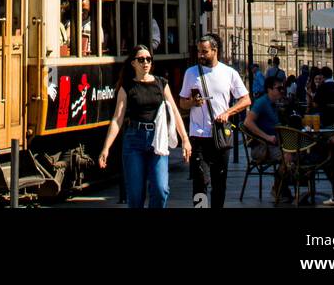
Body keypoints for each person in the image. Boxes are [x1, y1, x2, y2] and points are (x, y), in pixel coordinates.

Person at [99, 44, 191, 209]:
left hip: (157, 139)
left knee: (161, 189)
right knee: (135, 195)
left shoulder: (161, 83)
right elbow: (117, 119)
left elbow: (175, 112)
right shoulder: (127, 87)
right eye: (141, 60)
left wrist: (185, 139)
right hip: (134, 139)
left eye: (148, 59)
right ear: (133, 63)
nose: (146, 63)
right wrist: (106, 148)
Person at [180, 35, 250, 209]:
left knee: (219, 181)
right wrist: (192, 103)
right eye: (198, 51)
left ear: (215, 51)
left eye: (204, 52)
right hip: (198, 135)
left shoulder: (229, 73)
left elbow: (246, 100)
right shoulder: (191, 73)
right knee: (200, 181)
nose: (200, 55)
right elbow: (182, 102)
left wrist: (228, 112)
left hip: (220, 135)